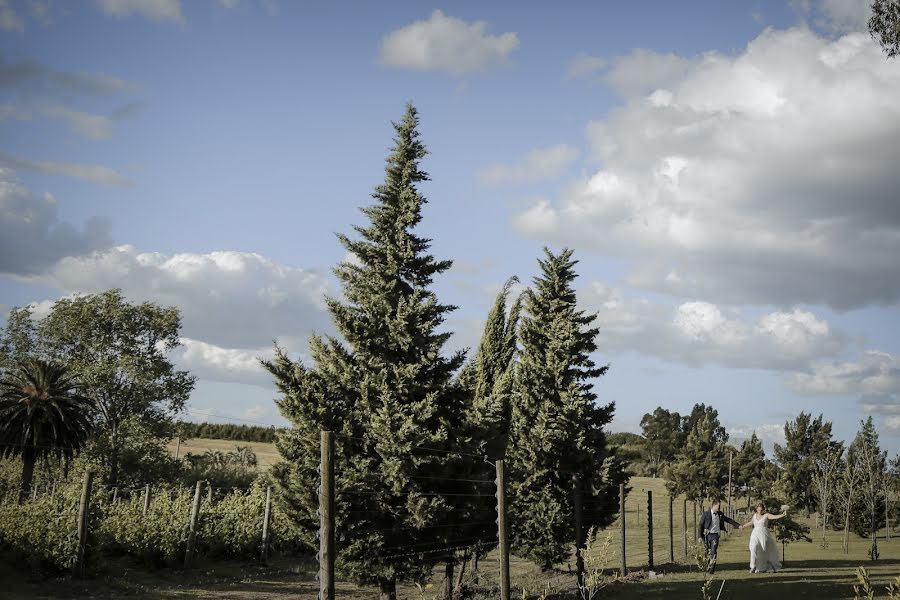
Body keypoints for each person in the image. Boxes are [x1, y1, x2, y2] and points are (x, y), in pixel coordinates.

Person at [739, 502, 786, 573]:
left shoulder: (766, 515)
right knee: (753, 547)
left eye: (761, 510)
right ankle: (753, 566)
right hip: (755, 534)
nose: (759, 511)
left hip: (764, 534)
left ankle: (772, 567)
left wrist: (782, 515)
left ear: (763, 510)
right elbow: (751, 522)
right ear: (756, 510)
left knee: (764, 551)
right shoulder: (754, 515)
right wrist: (743, 526)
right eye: (758, 510)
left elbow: (774, 517)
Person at [697, 498, 741, 574]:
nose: (719, 508)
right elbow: (700, 525)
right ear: (713, 505)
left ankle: (711, 570)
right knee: (707, 552)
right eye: (718, 506)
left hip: (715, 536)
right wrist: (700, 536)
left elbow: (728, 520)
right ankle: (707, 566)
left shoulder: (720, 514)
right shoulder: (706, 514)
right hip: (707, 535)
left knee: (713, 552)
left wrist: (738, 525)